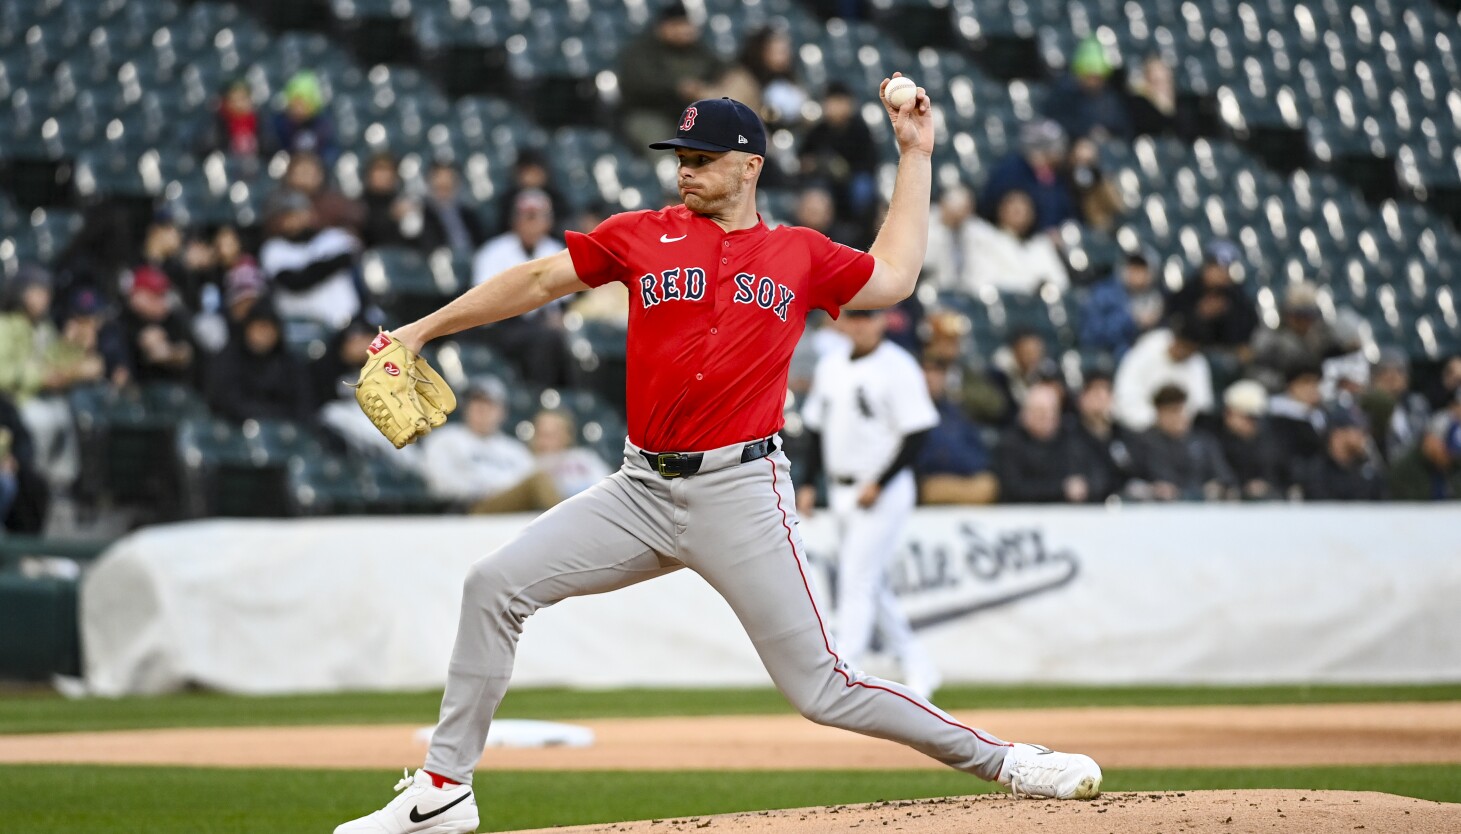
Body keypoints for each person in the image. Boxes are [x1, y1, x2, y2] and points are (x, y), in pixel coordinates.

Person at [334, 82, 1100, 834]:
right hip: (639, 489)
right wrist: (421, 330)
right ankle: (442, 789)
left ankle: (1007, 761)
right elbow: (538, 279)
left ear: (749, 166)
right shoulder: (642, 233)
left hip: (740, 491)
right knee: (493, 585)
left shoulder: (797, 253)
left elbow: (894, 276)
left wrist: (916, 154)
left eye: (702, 156)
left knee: (822, 688)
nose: (684, 168)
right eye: (680, 155)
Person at [797, 308, 943, 699]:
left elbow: (917, 433)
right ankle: (919, 665)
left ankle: (844, 673)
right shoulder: (831, 364)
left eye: (867, 316)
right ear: (842, 322)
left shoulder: (898, 365)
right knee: (870, 584)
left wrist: (881, 481)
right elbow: (814, 428)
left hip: (883, 490)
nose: (859, 324)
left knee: (856, 579)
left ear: (882, 321)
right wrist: (808, 482)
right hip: (842, 487)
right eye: (853, 317)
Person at [471, 190, 571, 388]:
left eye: (537, 218)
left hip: (541, 322)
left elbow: (564, 303)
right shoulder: (493, 252)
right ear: (515, 220)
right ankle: (539, 393)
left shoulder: (556, 250)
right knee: (545, 338)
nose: (532, 224)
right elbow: (481, 300)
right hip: (501, 324)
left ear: (548, 222)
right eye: (527, 218)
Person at [419, 377, 556, 513]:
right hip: (470, 507)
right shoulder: (445, 439)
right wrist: (485, 489)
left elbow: (527, 477)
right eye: (476, 403)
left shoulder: (514, 449)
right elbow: (440, 484)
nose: (482, 410)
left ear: (502, 412)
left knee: (540, 479)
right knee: (538, 481)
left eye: (489, 404)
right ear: (466, 408)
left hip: (513, 507)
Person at [616, 3, 731, 152]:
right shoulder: (642, 50)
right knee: (658, 140)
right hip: (648, 113)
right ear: (664, 26)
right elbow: (640, 83)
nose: (685, 30)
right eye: (678, 25)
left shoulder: (698, 50)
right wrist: (677, 87)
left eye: (687, 25)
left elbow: (722, 71)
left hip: (687, 114)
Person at [258, 190, 363, 330]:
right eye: (287, 215)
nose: (294, 219)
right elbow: (296, 282)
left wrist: (310, 268)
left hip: (345, 323)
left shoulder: (335, 236)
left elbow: (350, 257)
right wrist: (330, 262)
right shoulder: (273, 248)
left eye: (299, 212)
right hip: (298, 326)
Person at [207, 300, 313, 424]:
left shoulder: (290, 362)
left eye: (269, 328)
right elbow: (227, 402)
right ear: (247, 329)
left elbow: (304, 404)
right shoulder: (228, 359)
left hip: (284, 431)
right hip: (238, 430)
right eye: (259, 328)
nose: (264, 335)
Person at [1124, 384, 1235, 502]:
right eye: (1173, 411)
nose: (1180, 417)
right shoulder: (1142, 442)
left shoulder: (1203, 441)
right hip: (1158, 511)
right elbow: (1131, 482)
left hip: (1202, 509)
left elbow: (1225, 477)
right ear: (1159, 413)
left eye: (1182, 410)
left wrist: (1216, 487)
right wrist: (1152, 489)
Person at [799, 81, 880, 242]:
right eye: (832, 102)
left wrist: (845, 170)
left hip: (853, 180)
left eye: (840, 102)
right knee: (816, 195)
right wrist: (820, 164)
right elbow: (803, 160)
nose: (835, 107)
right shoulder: (819, 130)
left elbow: (870, 163)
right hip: (825, 181)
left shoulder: (860, 130)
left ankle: (861, 236)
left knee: (863, 189)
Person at [914, 355, 998, 505]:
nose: (931, 378)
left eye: (937, 372)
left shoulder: (957, 413)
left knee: (987, 484)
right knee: (931, 489)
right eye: (926, 372)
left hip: (962, 479)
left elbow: (979, 456)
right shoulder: (910, 413)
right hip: (929, 482)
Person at [1112, 316, 1214, 431]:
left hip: (1180, 432)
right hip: (1140, 427)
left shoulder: (1198, 363)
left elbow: (1201, 406)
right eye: (1184, 346)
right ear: (1175, 339)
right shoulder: (1147, 349)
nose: (1186, 353)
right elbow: (1126, 394)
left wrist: (1177, 421)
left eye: (1191, 350)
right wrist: (1157, 421)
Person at [994, 383, 1090, 503]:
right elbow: (1013, 489)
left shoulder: (1070, 440)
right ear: (1025, 413)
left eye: (1052, 411)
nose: (1047, 416)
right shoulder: (1009, 443)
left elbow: (1086, 479)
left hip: (1066, 514)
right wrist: (1061, 489)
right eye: (1040, 411)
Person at [964, 189, 1069, 295]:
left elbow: (1060, 282)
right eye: (1014, 207)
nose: (1019, 212)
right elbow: (983, 283)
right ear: (1000, 209)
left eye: (1025, 208)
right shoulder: (984, 237)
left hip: (1037, 309)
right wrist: (1033, 285)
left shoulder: (1041, 245)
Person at [981, 119, 1077, 232]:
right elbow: (991, 206)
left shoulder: (1059, 176)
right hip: (1006, 237)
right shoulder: (1011, 170)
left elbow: (1066, 212)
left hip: (1044, 242)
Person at [1165, 240, 1258, 355]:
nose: (1220, 273)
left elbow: (1248, 330)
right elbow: (1172, 322)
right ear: (1206, 267)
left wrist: (1226, 313)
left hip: (1226, 354)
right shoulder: (1189, 290)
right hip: (1191, 352)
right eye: (1216, 267)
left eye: (1225, 269)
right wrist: (1199, 314)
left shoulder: (1237, 295)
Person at [1248, 281, 1339, 392]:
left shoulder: (1322, 336)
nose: (1305, 321)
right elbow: (1254, 373)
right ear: (1288, 314)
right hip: (1280, 395)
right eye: (1299, 315)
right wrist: (1286, 384)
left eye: (1309, 316)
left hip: (1314, 391)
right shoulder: (1270, 338)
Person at [1079, 249, 1164, 360]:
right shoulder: (1103, 294)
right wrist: (1132, 319)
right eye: (1133, 268)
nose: (1137, 275)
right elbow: (1091, 335)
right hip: (1106, 356)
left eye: (1142, 269)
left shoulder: (1156, 299)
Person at [1046, 36, 1132, 142]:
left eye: (1098, 78)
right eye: (1090, 77)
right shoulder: (1063, 94)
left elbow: (1123, 130)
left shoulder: (1110, 99)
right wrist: (1084, 135)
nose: (1094, 82)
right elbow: (1055, 125)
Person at [120, 265, 195, 386]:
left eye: (163, 295)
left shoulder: (172, 319)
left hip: (175, 388)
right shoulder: (124, 321)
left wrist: (169, 354)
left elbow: (187, 352)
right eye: (154, 296)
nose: (162, 301)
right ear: (137, 296)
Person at [1067, 370, 1131, 502]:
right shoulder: (1068, 435)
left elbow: (1132, 473)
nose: (1100, 399)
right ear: (1082, 398)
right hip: (1082, 510)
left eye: (1105, 393)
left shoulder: (1123, 436)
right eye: (1094, 393)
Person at [1296, 407, 1385, 501]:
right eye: (1358, 430)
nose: (1364, 436)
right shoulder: (1314, 472)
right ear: (1337, 433)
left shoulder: (1368, 471)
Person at [1214, 379, 1281, 500]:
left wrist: (1266, 486)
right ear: (1228, 414)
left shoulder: (1267, 443)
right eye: (1246, 417)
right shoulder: (1214, 441)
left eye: (1255, 419)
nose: (1252, 423)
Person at [528, 409, 611, 500]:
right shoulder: (526, 462)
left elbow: (606, 486)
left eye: (552, 434)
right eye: (542, 434)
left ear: (567, 435)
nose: (545, 441)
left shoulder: (585, 457)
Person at [418, 162, 486, 258]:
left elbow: (481, 245)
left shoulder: (467, 213)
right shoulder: (422, 213)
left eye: (447, 187)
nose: (444, 181)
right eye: (439, 187)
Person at [270, 71, 339, 166]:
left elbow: (329, 154)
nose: (298, 109)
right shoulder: (280, 125)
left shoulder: (322, 128)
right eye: (294, 103)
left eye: (303, 104)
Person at [922, 185, 978, 291]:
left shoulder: (972, 229)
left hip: (964, 291)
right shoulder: (926, 222)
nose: (960, 214)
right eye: (956, 209)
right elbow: (925, 262)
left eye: (965, 209)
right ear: (943, 205)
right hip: (932, 289)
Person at [360, 153, 416, 249]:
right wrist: (391, 216)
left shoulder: (401, 201)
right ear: (368, 174)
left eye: (388, 170)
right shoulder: (359, 204)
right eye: (379, 169)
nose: (384, 175)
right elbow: (367, 230)